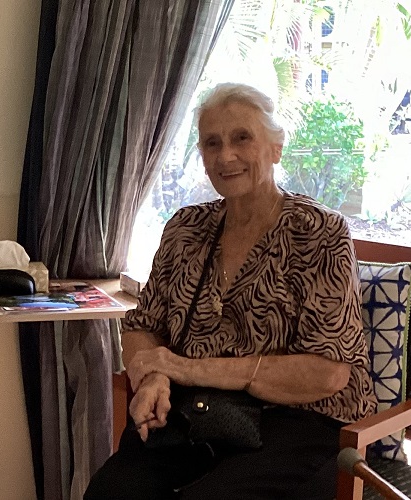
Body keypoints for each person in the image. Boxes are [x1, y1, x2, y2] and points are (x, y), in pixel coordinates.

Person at [85, 83, 375, 499]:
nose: (226, 156)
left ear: (275, 148)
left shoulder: (318, 232)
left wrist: (185, 368)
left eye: (243, 138)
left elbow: (328, 373)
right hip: (199, 414)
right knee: (111, 491)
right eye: (212, 144)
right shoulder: (186, 229)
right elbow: (142, 325)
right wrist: (153, 378)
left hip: (300, 422)